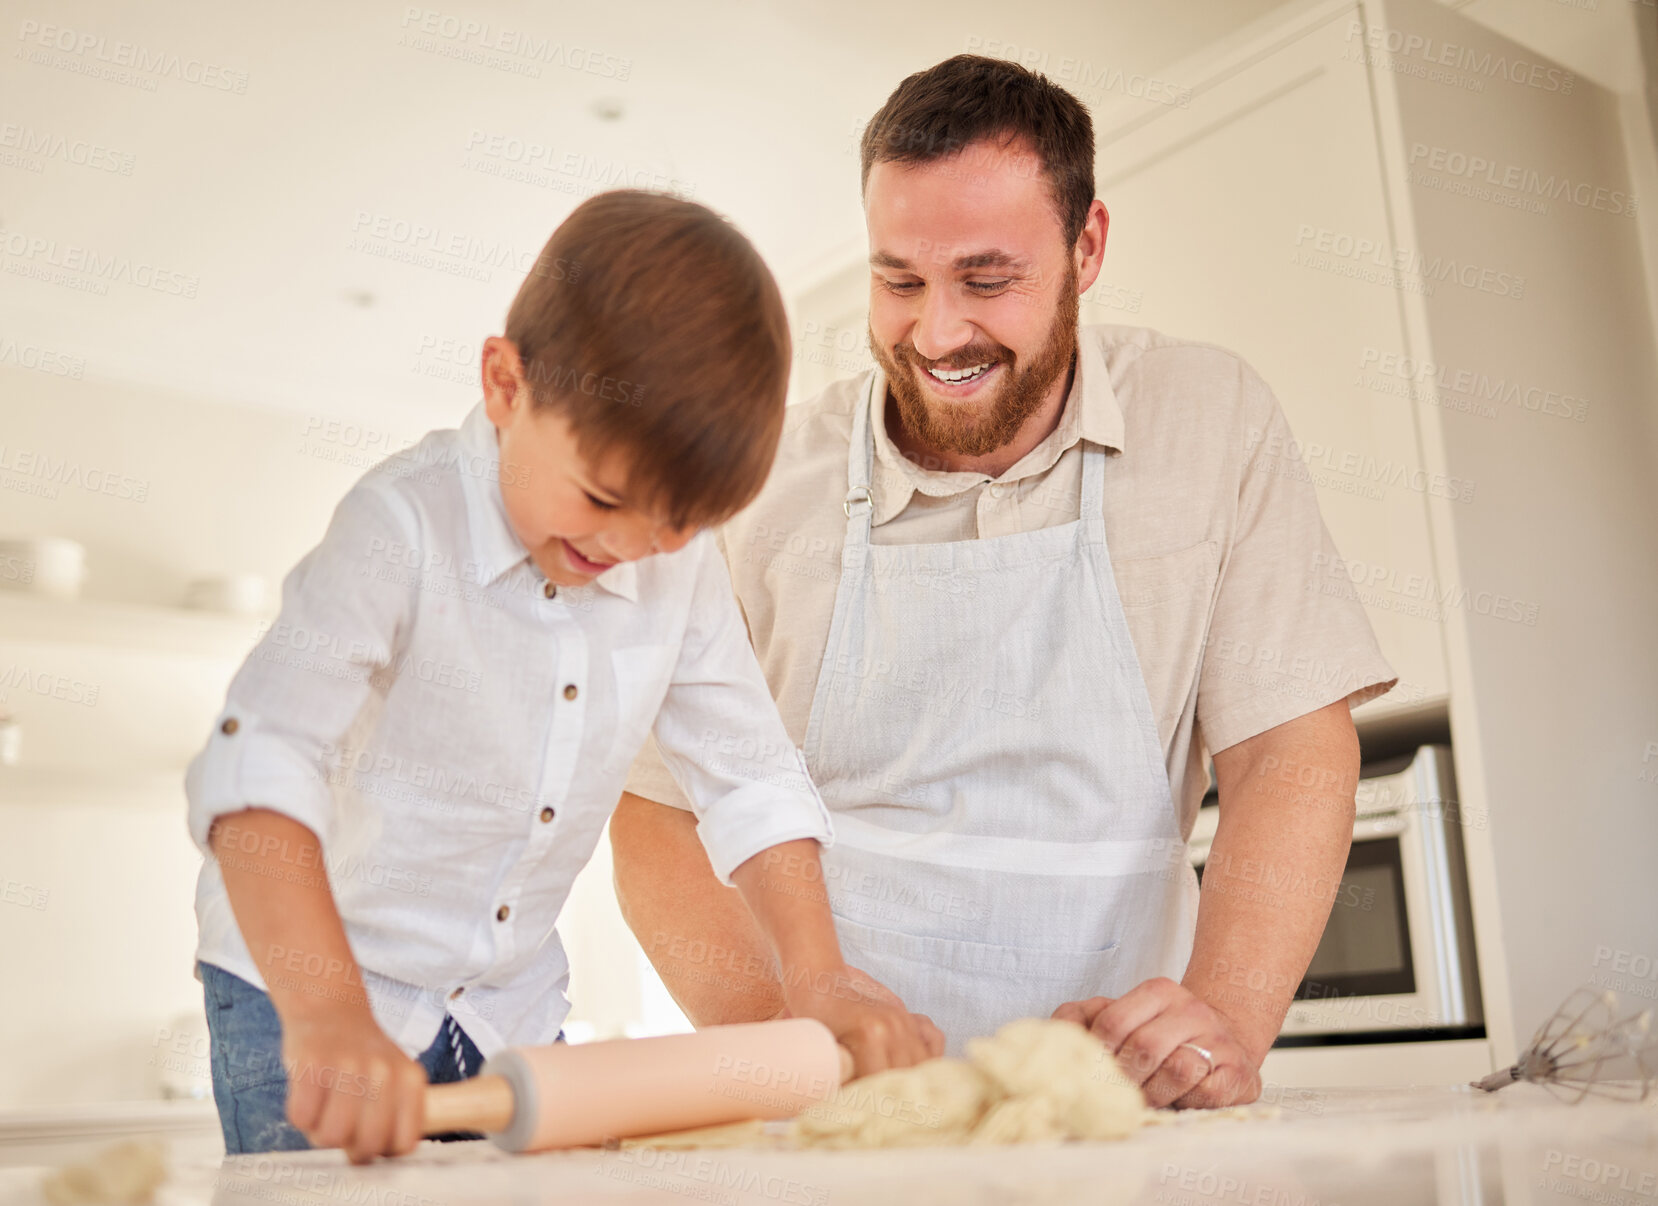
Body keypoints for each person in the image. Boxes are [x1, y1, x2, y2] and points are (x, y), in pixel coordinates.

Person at [612, 56, 1398, 1109]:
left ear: (1085, 247)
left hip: (1124, 1119)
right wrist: (778, 1049)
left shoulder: (1207, 423)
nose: (937, 334)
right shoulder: (761, 489)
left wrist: (1223, 1019)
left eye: (986, 280)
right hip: (840, 1130)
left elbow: (1286, 754)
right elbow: (656, 812)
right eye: (898, 281)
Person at [184, 190, 940, 1163]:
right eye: (601, 499)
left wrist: (818, 974)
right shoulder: (400, 529)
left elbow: (748, 774)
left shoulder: (672, 563)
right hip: (306, 993)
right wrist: (325, 1013)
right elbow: (259, 768)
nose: (631, 549)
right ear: (505, 385)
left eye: (676, 524)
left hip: (511, 1013)